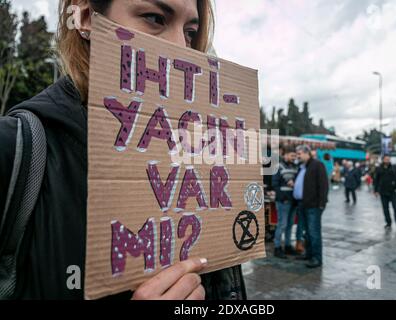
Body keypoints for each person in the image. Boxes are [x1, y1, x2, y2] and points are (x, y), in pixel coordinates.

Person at [0, 0, 246, 300]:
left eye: (191, 32)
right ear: (87, 18)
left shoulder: (201, 151)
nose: (182, 47)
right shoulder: (14, 151)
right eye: (154, 18)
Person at [293, 145, 329, 268]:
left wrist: (321, 204)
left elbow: (324, 185)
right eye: (297, 154)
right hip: (302, 204)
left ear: (307, 153)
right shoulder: (302, 167)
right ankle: (308, 254)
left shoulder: (317, 165)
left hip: (313, 205)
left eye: (299, 153)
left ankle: (317, 258)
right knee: (306, 232)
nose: (298, 156)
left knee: (314, 232)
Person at [272, 146, 298, 259]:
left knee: (290, 225)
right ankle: (277, 248)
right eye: (292, 156)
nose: (294, 158)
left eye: (295, 156)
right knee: (282, 224)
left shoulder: (295, 167)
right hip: (283, 201)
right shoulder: (279, 166)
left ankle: (287, 246)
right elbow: (275, 184)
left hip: (293, 201)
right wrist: (283, 197)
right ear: (285, 155)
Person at [374, 155, 396, 231]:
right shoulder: (379, 169)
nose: (387, 160)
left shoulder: (395, 168)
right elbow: (376, 180)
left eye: (388, 159)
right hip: (383, 192)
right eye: (386, 159)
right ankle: (388, 223)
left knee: (395, 208)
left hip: (393, 191)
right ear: (383, 160)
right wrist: (376, 190)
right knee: (385, 209)